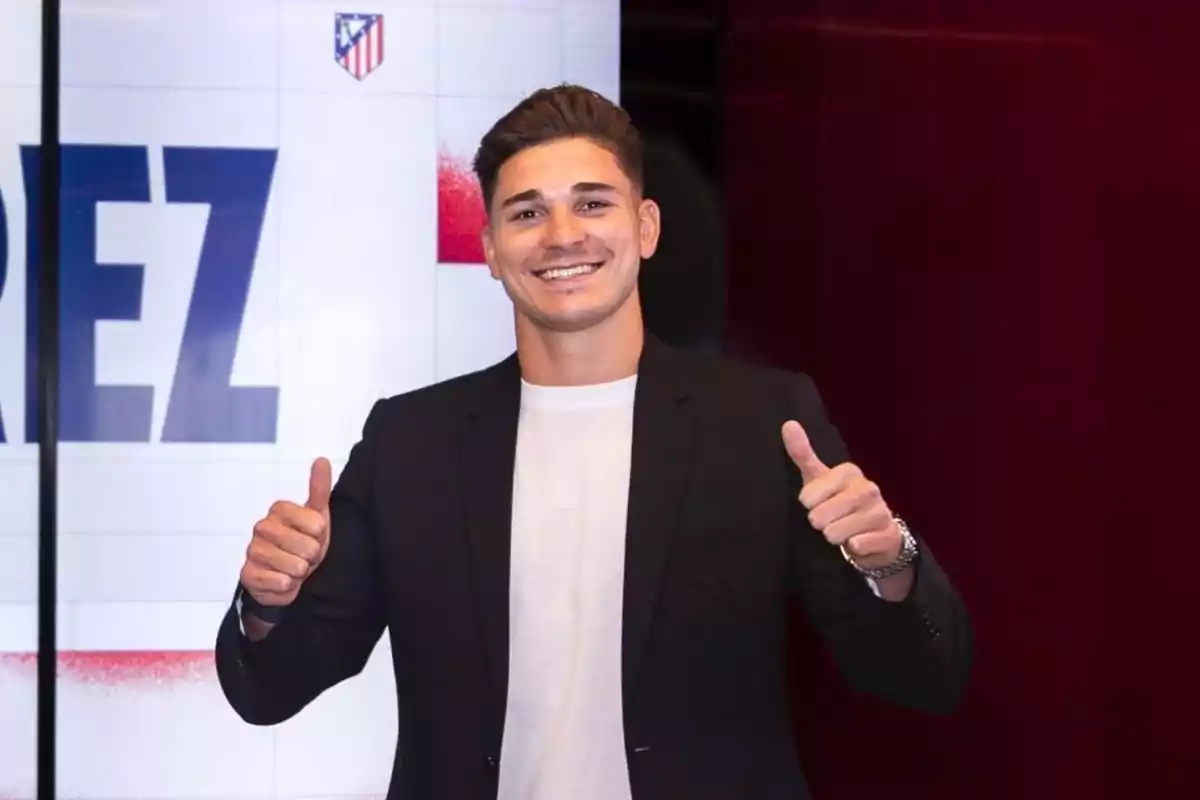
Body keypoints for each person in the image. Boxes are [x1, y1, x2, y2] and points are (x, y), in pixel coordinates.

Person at [215, 84, 972, 800]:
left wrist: (890, 565)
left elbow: (922, 678)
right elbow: (268, 688)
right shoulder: (411, 442)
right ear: (490, 247)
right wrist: (268, 604)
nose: (563, 235)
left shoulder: (762, 422)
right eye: (526, 213)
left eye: (592, 203)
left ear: (645, 227)